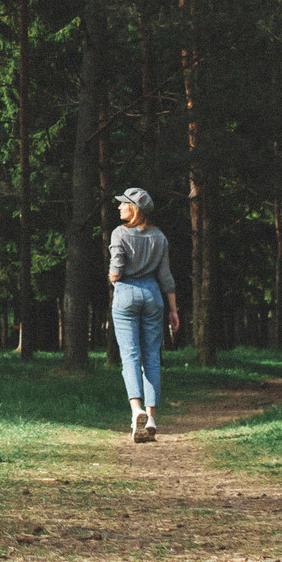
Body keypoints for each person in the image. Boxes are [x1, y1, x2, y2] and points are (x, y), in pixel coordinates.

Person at [107, 187, 179, 443]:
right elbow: (166, 277)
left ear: (134, 208)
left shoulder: (119, 234)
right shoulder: (159, 237)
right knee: (151, 357)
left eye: (123, 204)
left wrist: (113, 278)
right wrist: (173, 309)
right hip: (153, 295)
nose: (119, 207)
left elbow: (116, 271)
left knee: (130, 355)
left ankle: (136, 409)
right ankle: (151, 417)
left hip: (126, 293)